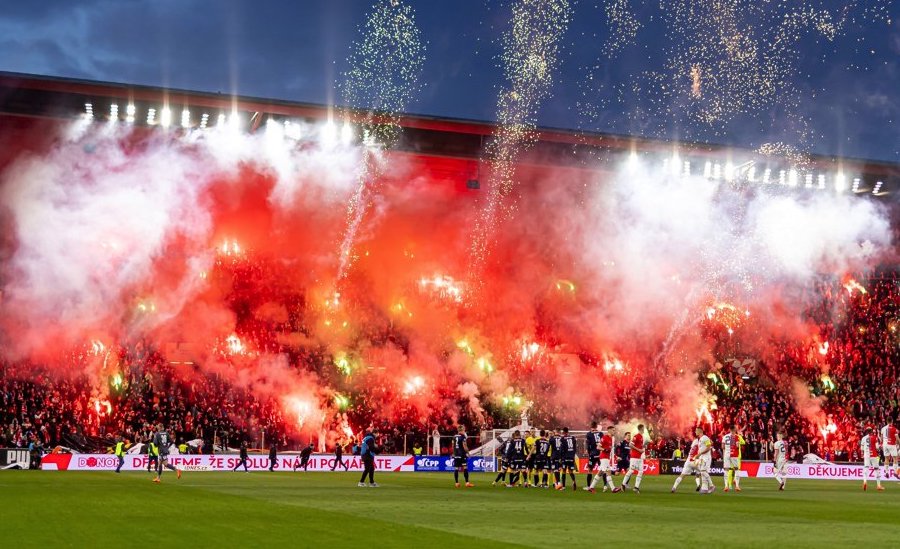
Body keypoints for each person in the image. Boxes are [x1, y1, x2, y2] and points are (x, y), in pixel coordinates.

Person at [588, 425, 620, 493]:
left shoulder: (611, 438)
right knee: (608, 472)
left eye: (614, 430)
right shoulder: (605, 437)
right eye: (613, 430)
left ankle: (591, 487)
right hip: (604, 457)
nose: (614, 431)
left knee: (600, 473)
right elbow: (598, 447)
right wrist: (604, 450)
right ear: (609, 430)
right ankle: (613, 488)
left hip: (607, 458)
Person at [621, 424, 647, 493]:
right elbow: (630, 445)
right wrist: (639, 450)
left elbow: (639, 446)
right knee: (631, 470)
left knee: (641, 471)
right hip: (634, 457)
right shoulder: (636, 436)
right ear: (641, 429)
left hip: (639, 457)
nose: (644, 429)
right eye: (643, 428)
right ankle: (623, 484)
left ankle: (636, 487)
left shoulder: (641, 436)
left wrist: (643, 448)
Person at [722, 425, 744, 492]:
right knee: (737, 469)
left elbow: (723, 446)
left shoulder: (725, 436)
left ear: (729, 429)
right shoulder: (737, 436)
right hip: (734, 454)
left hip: (726, 454)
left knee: (726, 470)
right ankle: (737, 486)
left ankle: (726, 486)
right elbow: (737, 446)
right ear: (734, 429)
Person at [693, 426, 714, 494]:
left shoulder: (704, 437)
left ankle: (711, 486)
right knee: (702, 473)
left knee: (703, 471)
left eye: (696, 430)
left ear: (700, 431)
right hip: (702, 457)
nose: (695, 432)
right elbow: (711, 443)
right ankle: (704, 489)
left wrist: (699, 454)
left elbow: (708, 447)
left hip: (706, 457)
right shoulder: (701, 438)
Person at [585, 422, 601, 489]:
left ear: (591, 426)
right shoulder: (601, 433)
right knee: (604, 469)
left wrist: (588, 452)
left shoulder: (589, 434)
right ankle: (605, 486)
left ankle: (589, 486)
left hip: (593, 454)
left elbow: (588, 445)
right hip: (601, 454)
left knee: (590, 470)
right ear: (596, 426)